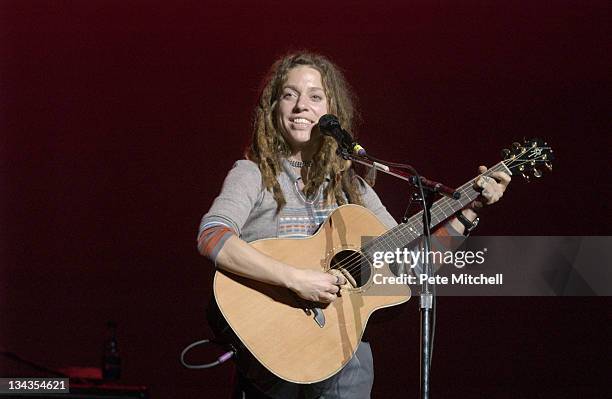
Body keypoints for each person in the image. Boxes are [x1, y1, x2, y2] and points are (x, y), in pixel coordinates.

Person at [197, 51, 510, 398]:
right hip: (274, 357)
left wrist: (468, 211)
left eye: (315, 96)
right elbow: (213, 237)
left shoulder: (353, 189)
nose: (301, 106)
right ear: (273, 109)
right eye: (289, 95)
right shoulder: (253, 174)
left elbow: (414, 266)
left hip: (345, 363)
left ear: (333, 112)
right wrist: (298, 280)